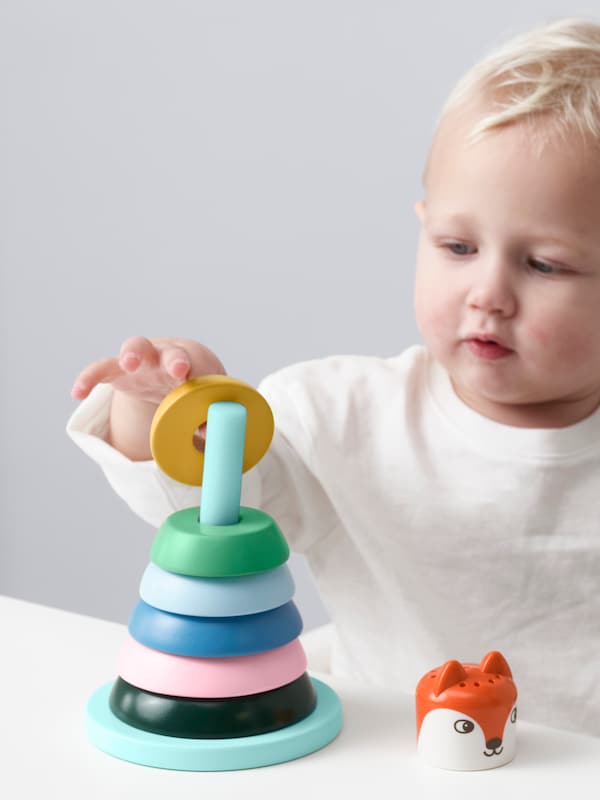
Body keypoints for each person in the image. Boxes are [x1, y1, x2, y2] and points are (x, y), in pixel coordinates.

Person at [68, 17, 600, 737]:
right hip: (390, 763)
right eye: (457, 246)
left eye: (543, 264)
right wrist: (168, 410)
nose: (488, 293)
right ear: (422, 227)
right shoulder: (342, 415)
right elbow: (204, 507)